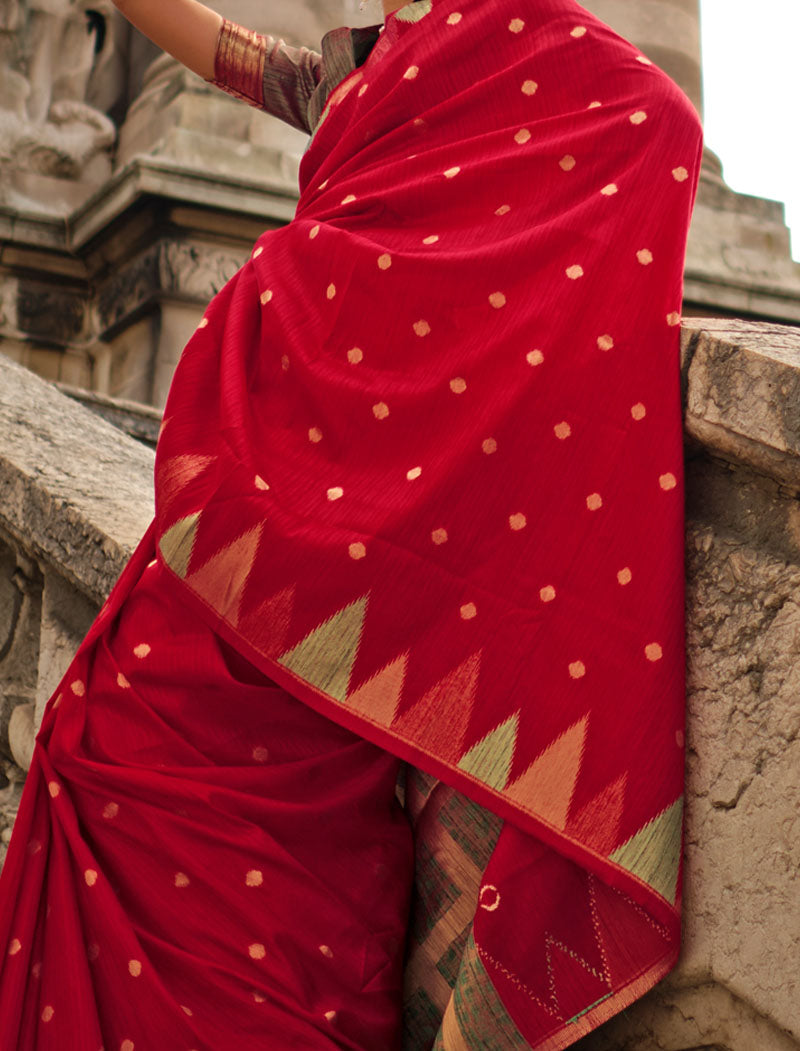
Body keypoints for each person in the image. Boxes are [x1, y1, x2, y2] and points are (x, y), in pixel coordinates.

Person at [0, 0, 704, 1048]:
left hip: (300, 667)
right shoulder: (367, 73)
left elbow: (651, 131)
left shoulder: (574, 81)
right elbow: (233, 55)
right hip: (183, 654)